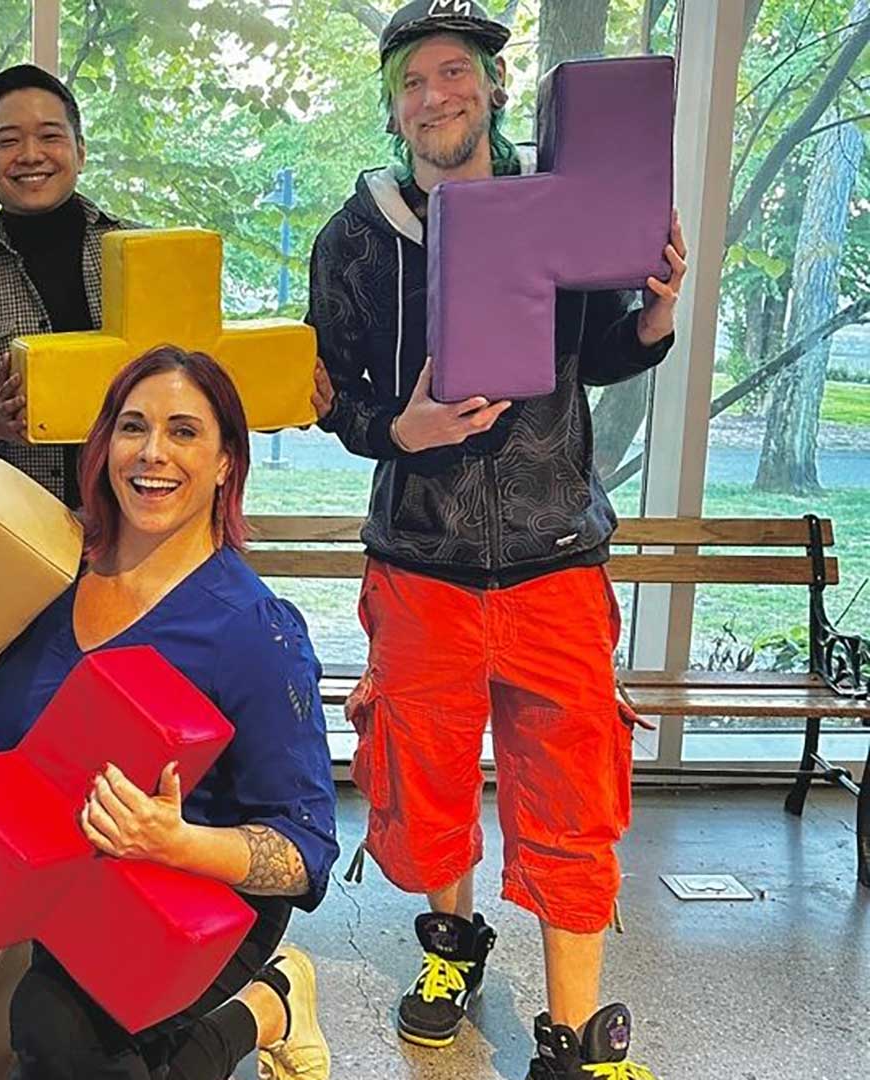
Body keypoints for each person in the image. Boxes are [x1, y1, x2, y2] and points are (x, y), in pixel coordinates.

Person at [306, 3, 687, 1076]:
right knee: (424, 787)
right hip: (418, 565)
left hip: (554, 556)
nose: (435, 95)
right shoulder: (353, 240)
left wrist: (653, 321)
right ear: (392, 109)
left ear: (492, 88)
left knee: (572, 793)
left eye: (453, 72)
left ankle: (574, 1033)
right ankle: (452, 944)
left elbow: (599, 353)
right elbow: (336, 401)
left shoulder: (560, 210)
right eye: (412, 82)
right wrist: (401, 428)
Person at [0, 346, 338, 1080]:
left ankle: (264, 994)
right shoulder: (55, 566)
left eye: (185, 432)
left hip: (202, 898)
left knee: (56, 1031)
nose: (152, 453)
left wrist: (173, 841)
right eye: (133, 427)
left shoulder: (256, 630)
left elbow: (305, 847)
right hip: (69, 874)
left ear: (228, 461)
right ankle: (270, 1009)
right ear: (104, 447)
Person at [0, 64, 137, 505]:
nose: (31, 154)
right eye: (7, 141)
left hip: (149, 519)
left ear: (80, 150)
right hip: (29, 530)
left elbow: (208, 381)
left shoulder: (146, 254)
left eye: (50, 136)